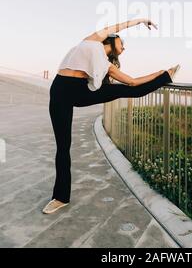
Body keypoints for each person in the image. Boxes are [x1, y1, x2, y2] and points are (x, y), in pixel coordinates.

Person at [42, 18, 180, 214]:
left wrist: (160, 74)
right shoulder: (92, 40)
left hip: (81, 91)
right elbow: (119, 25)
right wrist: (140, 20)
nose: (124, 48)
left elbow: (132, 82)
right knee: (63, 146)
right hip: (59, 90)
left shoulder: (107, 65)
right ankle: (60, 197)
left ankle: (166, 76)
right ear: (113, 40)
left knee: (128, 90)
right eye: (123, 44)